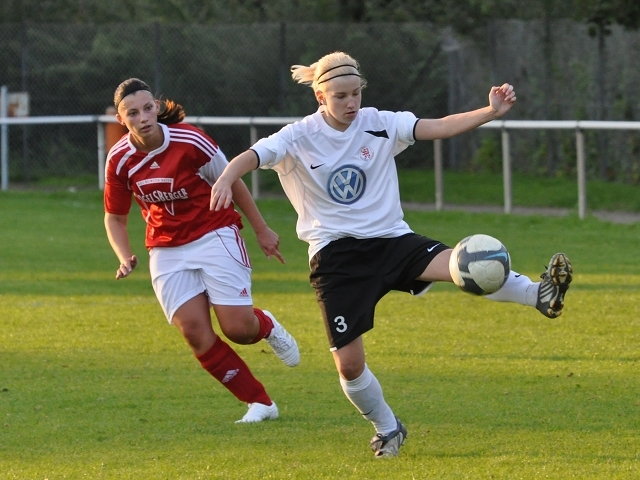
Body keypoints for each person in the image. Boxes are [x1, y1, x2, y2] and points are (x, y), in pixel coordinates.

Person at [210, 52, 573, 456]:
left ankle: (538, 294)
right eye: (341, 96)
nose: (351, 104)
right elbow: (252, 156)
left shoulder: (380, 123)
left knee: (464, 264)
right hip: (336, 259)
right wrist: (226, 176)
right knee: (348, 366)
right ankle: (388, 427)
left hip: (392, 240)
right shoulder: (298, 136)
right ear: (319, 96)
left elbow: (436, 127)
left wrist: (489, 111)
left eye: (356, 94)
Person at [104, 78, 300, 424]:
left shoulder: (190, 141)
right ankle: (260, 403)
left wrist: (262, 230)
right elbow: (115, 218)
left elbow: (233, 182)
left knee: (238, 329)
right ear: (122, 120)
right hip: (166, 248)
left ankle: (265, 324)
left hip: (214, 233)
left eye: (148, 108)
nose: (143, 117)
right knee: (194, 332)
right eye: (132, 113)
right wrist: (124, 256)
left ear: (157, 106)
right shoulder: (119, 159)